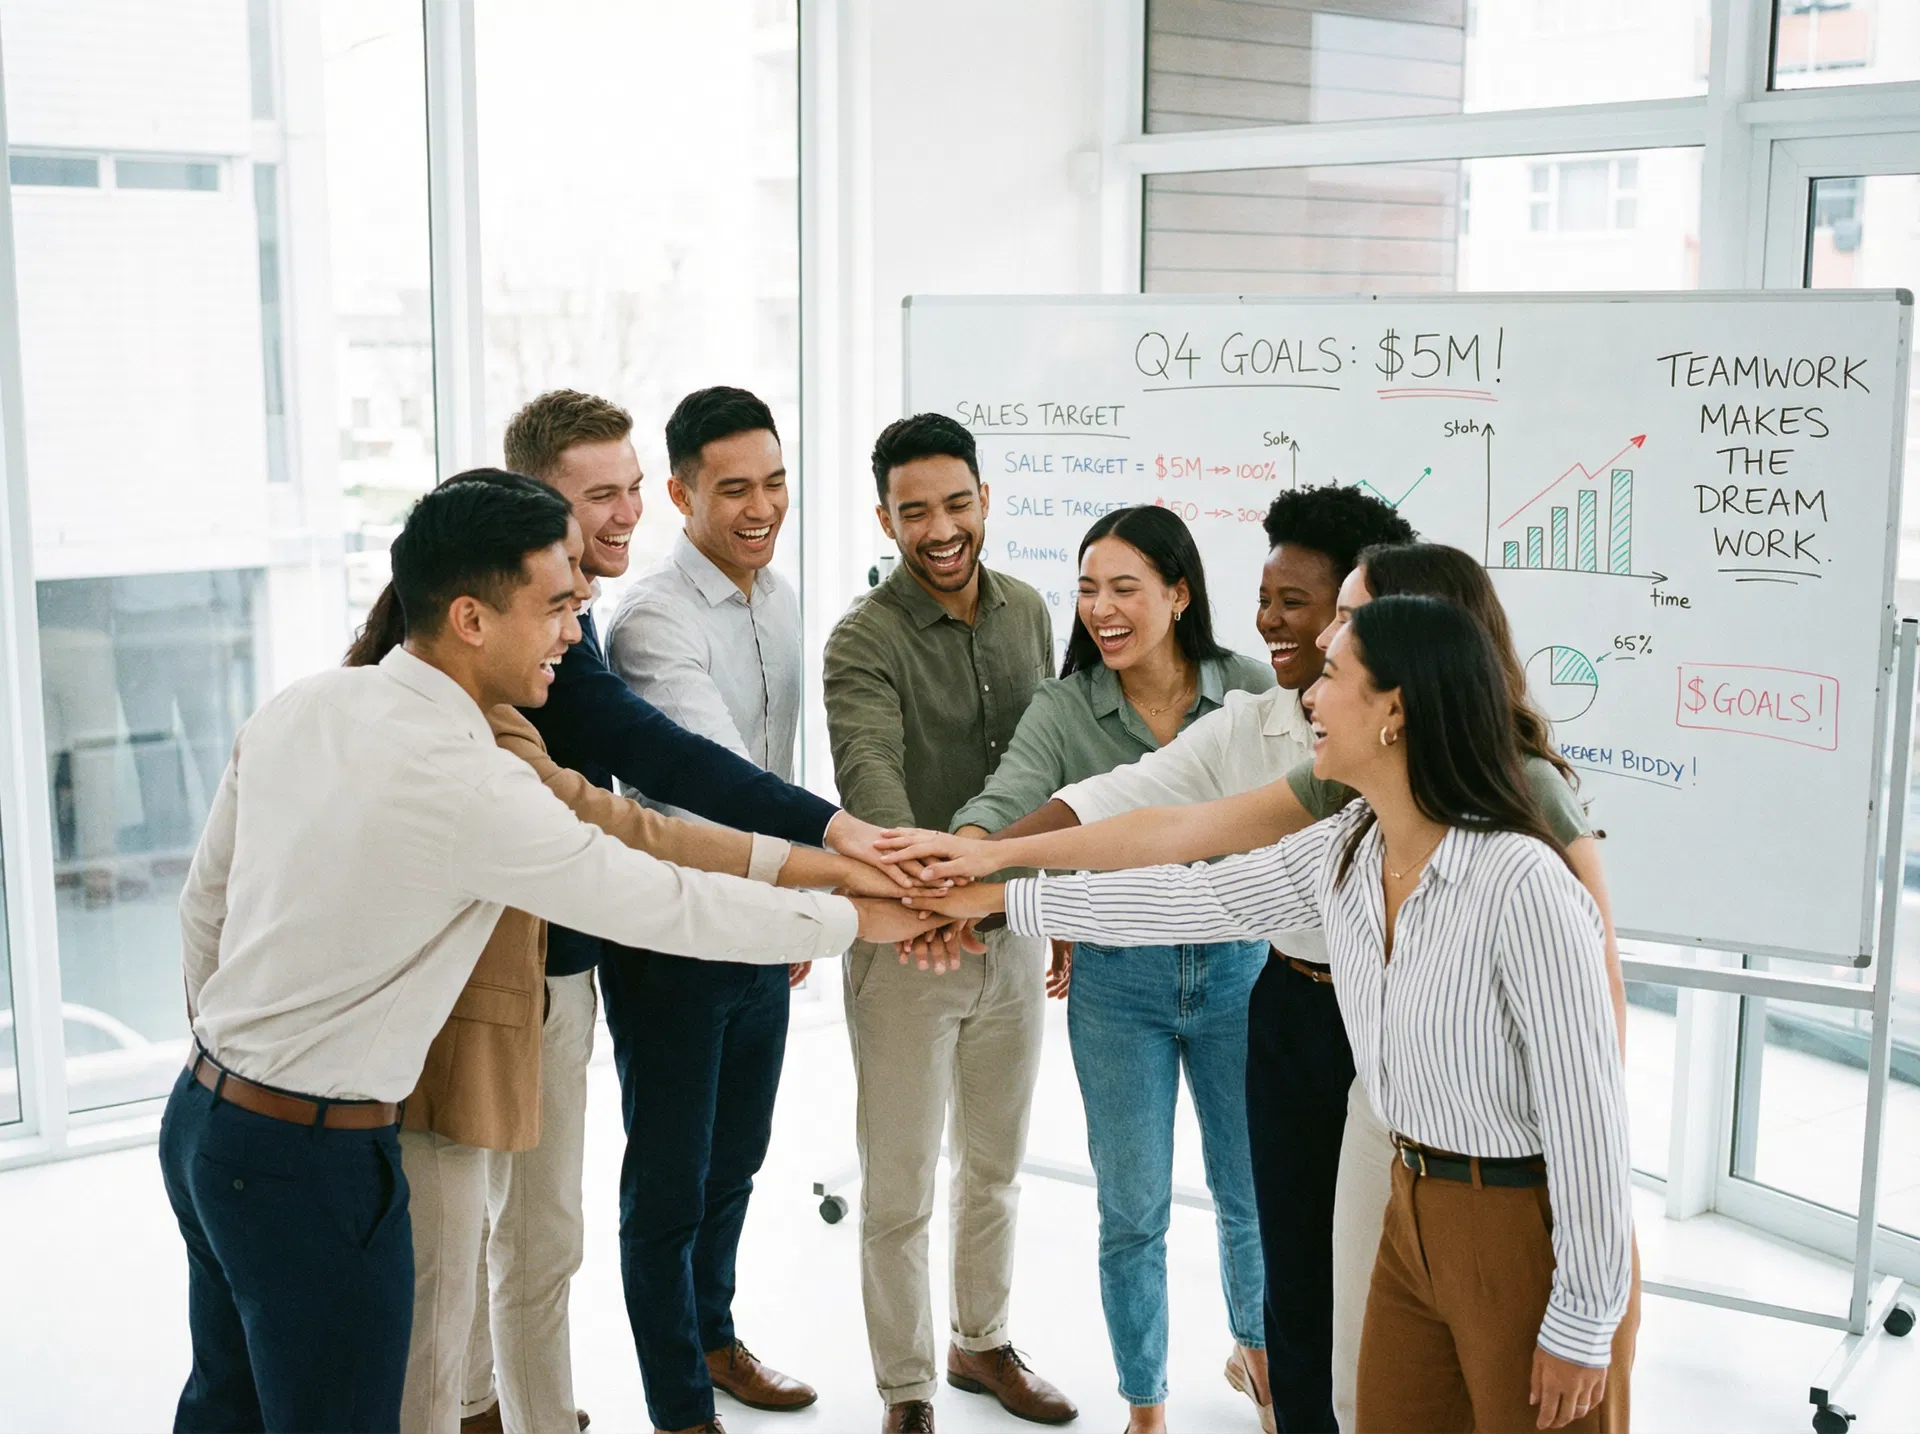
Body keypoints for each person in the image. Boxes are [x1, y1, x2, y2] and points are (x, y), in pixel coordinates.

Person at [159, 475, 931, 1434]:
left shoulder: (307, 703)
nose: (576, 628)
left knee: (223, 1408)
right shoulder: (467, 783)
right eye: (557, 605)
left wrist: (233, 1066)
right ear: (473, 618)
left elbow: (204, 910)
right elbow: (661, 904)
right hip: (310, 1161)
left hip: (201, 1121)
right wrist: (856, 920)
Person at [881, 539, 1628, 1432]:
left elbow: (1591, 1112)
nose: (1310, 690)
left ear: (1395, 711)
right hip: (1410, 1205)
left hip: (1514, 1216)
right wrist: (999, 897)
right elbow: (1189, 891)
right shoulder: (1347, 845)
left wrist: (1585, 1316)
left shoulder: (1524, 879)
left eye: (1338, 668)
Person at [455, 391, 909, 1434]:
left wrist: (796, 895)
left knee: (710, 1168)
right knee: (552, 1223)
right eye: (597, 495)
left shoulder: (638, 617)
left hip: (691, 921)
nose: (621, 516)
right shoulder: (592, 632)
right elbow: (672, 773)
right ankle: (626, 1410)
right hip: (611, 939)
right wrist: (832, 855)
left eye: (625, 492)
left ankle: (683, 1353)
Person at [946, 504, 1274, 1434]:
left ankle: (1263, 1364)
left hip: (1241, 976)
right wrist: (958, 863)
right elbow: (1008, 802)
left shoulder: (1249, 693)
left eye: (1124, 587)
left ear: (1179, 593)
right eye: (1087, 588)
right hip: (1116, 987)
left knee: (1250, 1196)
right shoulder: (1064, 707)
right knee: (1132, 1208)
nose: (1100, 609)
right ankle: (1147, 1405)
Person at [823, 412, 1076, 1434]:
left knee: (997, 1164)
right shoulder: (861, 639)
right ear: (883, 516)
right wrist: (928, 900)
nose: (940, 528)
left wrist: (1050, 901)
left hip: (1011, 930)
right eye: (915, 509)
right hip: (904, 948)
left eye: (957, 504)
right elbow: (870, 781)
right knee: (897, 1188)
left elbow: (1050, 765)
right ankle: (907, 1391)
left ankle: (983, 1339)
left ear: (985, 501)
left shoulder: (1027, 611)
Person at [599, 388, 819, 1432]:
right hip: (674, 939)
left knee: (737, 1159)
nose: (762, 506)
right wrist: (823, 885)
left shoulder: (780, 597)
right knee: (670, 1186)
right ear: (681, 492)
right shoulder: (652, 619)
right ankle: (681, 1406)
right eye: (734, 488)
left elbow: (783, 766)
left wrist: (788, 920)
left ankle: (718, 1338)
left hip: (759, 925)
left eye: (775, 481)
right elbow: (717, 779)